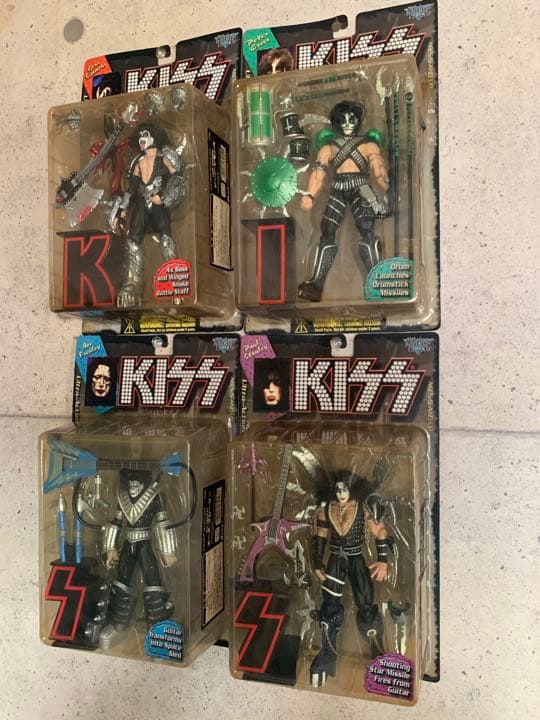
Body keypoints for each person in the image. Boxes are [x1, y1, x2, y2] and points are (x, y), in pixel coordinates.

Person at [298, 101, 389, 302]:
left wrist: (387, 188)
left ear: (358, 121)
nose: (347, 123)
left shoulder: (368, 145)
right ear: (336, 123)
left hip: (362, 188)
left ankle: (377, 281)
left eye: (351, 119)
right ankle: (316, 284)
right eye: (342, 120)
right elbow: (319, 174)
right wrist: (310, 195)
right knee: (327, 231)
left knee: (367, 229)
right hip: (338, 187)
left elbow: (378, 170)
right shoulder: (328, 148)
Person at [310, 469, 391, 687]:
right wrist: (316, 561)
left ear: (353, 489)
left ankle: (377, 650)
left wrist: (383, 559)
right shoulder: (327, 509)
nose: (341, 494)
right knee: (330, 606)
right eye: (338, 490)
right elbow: (320, 534)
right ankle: (327, 652)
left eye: (345, 489)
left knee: (365, 602)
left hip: (356, 558)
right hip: (335, 559)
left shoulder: (363, 508)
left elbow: (380, 531)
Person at [111, 123, 187, 308]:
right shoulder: (137, 162)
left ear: (154, 136)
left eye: (145, 135)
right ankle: (132, 284)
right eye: (139, 136)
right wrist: (122, 209)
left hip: (158, 204)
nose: (141, 139)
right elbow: (131, 189)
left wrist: (165, 196)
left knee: (166, 241)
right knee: (133, 242)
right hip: (140, 206)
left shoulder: (164, 158)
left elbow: (178, 177)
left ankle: (176, 282)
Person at [99, 468, 177, 646]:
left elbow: (162, 521)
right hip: (128, 543)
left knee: (153, 581)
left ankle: (158, 627)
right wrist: (110, 547)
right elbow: (117, 521)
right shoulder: (123, 497)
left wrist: (167, 550)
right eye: (131, 482)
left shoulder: (154, 496)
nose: (133, 486)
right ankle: (117, 625)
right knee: (121, 581)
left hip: (144, 544)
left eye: (137, 483)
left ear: (144, 483)